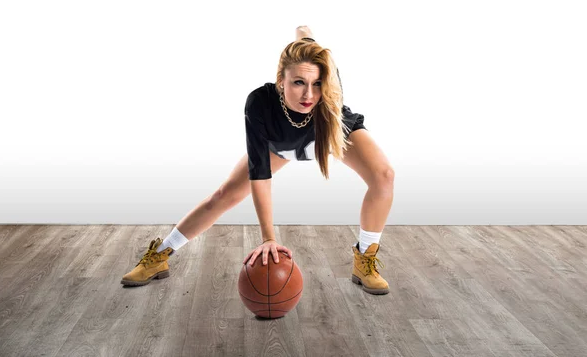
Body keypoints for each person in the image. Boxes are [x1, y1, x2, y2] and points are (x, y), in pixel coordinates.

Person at [121, 26, 395, 295]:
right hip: (281, 144)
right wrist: (269, 239)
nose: (309, 95)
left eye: (317, 84)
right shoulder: (259, 103)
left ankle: (364, 260)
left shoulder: (326, 82)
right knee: (224, 194)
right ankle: (159, 255)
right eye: (298, 82)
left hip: (328, 133)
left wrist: (303, 32)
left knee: (384, 176)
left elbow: (308, 42)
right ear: (281, 80)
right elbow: (260, 174)